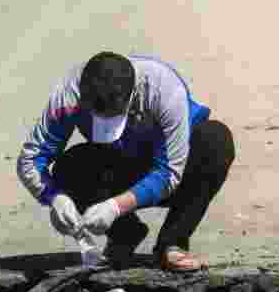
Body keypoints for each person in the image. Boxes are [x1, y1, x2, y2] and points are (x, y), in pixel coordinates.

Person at [16, 52, 235, 273]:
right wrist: (55, 197)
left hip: (175, 166)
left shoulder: (165, 90)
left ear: (132, 96)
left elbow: (169, 172)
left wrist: (115, 207)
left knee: (215, 140)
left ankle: (172, 242)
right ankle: (124, 235)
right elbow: (31, 159)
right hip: (120, 160)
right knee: (69, 167)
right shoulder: (69, 96)